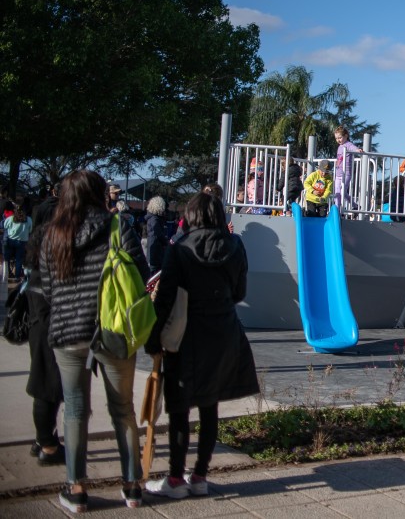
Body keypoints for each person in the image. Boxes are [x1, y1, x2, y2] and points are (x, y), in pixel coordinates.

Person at [41, 170, 148, 512]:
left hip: (68, 331)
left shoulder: (51, 235)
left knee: (74, 409)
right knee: (123, 410)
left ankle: (76, 490)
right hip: (113, 330)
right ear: (101, 194)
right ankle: (132, 487)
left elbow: (47, 290)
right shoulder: (119, 228)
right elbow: (142, 276)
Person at [144, 193, 259, 499]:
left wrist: (153, 339)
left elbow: (165, 298)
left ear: (191, 216)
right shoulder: (236, 246)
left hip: (186, 333)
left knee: (179, 408)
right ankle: (200, 476)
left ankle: (175, 478)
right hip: (224, 330)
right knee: (210, 405)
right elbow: (240, 291)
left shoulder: (180, 248)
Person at [23, 222, 65, 466]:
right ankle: (47, 445)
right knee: (47, 389)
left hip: (39, 332)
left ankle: (45, 439)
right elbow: (47, 311)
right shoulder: (44, 275)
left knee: (47, 389)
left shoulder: (37, 270)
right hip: (47, 333)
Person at [333, 126, 361, 210]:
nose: (338, 140)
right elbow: (339, 158)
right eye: (336, 138)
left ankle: (354, 205)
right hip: (338, 173)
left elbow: (353, 148)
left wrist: (358, 150)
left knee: (342, 191)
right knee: (337, 192)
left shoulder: (348, 145)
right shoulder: (339, 147)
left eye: (340, 138)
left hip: (346, 173)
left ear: (346, 136)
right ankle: (337, 209)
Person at [3, 204, 32, 282]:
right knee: (19, 259)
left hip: (11, 240)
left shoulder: (10, 218)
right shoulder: (28, 219)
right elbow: (30, 230)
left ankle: (7, 274)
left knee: (7, 258)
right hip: (22, 242)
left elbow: (5, 226)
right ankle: (17, 277)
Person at [145, 196, 168, 276]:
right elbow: (158, 234)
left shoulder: (152, 218)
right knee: (155, 272)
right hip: (156, 249)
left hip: (153, 247)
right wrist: (166, 242)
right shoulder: (155, 219)